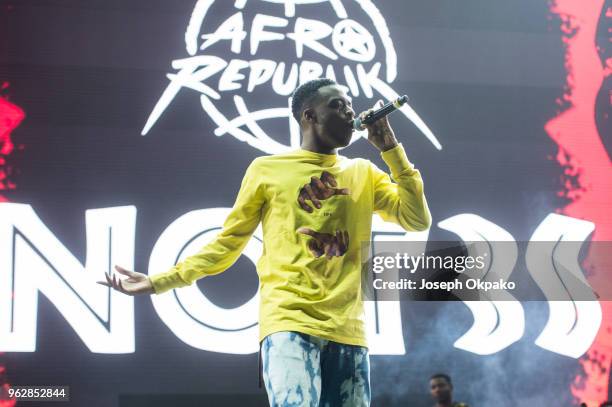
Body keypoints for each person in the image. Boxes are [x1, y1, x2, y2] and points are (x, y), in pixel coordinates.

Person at [97, 78, 431, 406]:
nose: (349, 113)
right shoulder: (266, 170)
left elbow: (417, 219)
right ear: (309, 117)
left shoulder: (364, 172)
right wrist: (158, 281)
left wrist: (391, 149)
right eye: (337, 105)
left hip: (349, 329)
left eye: (350, 106)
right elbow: (228, 243)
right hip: (288, 322)